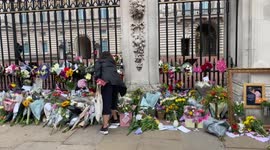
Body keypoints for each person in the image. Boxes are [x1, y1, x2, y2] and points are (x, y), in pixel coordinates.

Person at [94, 51, 125, 135]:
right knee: (113, 101)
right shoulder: (112, 62)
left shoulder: (99, 62)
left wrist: (97, 81)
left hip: (107, 83)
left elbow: (97, 74)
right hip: (116, 83)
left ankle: (105, 127)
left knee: (106, 104)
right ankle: (115, 120)